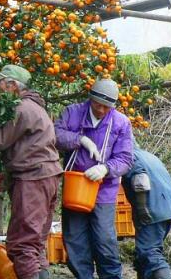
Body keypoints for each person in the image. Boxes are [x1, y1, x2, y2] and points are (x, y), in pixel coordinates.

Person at [0, 64, 63, 279]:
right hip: (46, 177)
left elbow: (0, 140)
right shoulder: (36, 108)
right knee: (36, 243)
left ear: (12, 85)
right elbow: (30, 147)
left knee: (22, 245)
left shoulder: (22, 109)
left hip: (34, 179)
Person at [54, 78, 134, 279]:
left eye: (107, 107)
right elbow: (54, 135)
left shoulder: (121, 122)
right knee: (74, 239)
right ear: (90, 98)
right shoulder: (72, 113)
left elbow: (125, 158)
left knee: (105, 240)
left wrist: (106, 169)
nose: (101, 110)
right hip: (75, 187)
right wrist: (80, 139)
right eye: (98, 104)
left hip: (103, 191)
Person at [121, 145, 171, 279]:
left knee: (150, 253)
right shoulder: (149, 156)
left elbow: (141, 180)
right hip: (168, 207)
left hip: (152, 207)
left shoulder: (129, 155)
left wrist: (142, 209)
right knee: (144, 256)